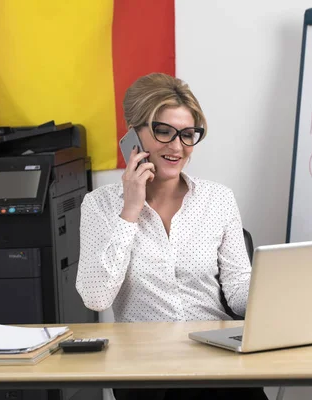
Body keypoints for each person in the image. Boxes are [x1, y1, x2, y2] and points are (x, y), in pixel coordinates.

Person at [76, 73, 267, 400]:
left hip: (217, 362)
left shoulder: (218, 199)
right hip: (147, 369)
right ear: (133, 136)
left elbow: (237, 289)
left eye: (188, 134)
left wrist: (276, 298)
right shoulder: (100, 205)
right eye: (163, 132)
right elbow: (96, 298)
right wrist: (131, 209)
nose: (177, 147)